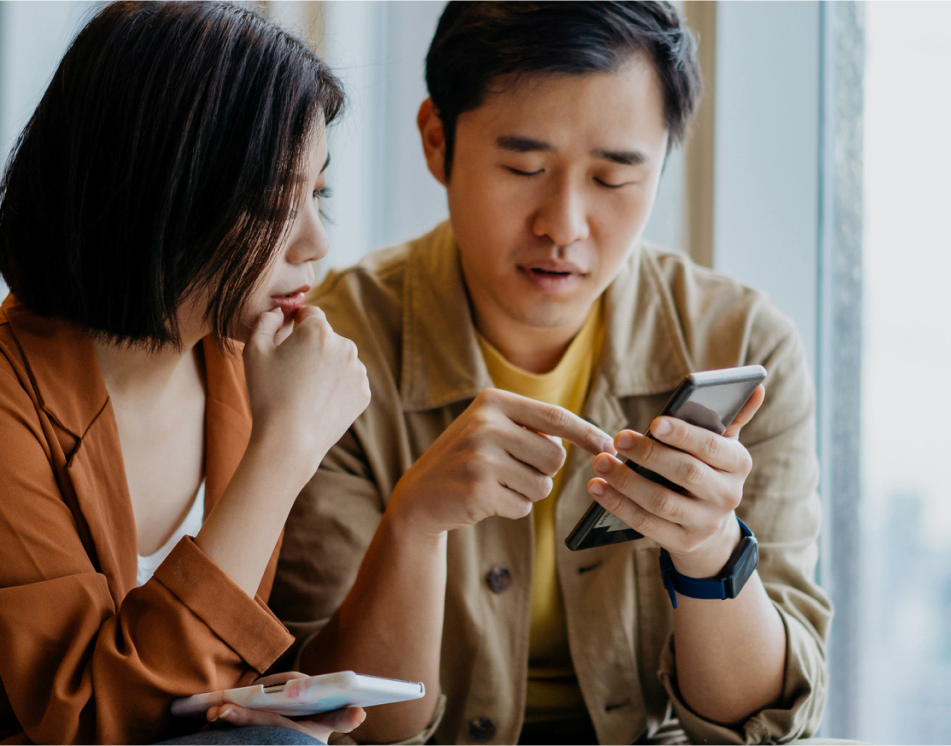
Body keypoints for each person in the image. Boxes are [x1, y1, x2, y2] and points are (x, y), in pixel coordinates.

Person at [0, 3, 371, 744]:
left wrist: (247, 699)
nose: (316, 242)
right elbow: (96, 721)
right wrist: (284, 451)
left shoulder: (240, 373)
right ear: (156, 193)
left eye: (316, 194)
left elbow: (191, 684)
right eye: (272, 202)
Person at [269, 2, 832, 744]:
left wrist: (708, 551)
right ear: (438, 142)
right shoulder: (334, 350)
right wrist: (412, 526)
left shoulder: (743, 343)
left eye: (613, 178)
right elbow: (341, 726)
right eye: (523, 167)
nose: (563, 224)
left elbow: (760, 723)